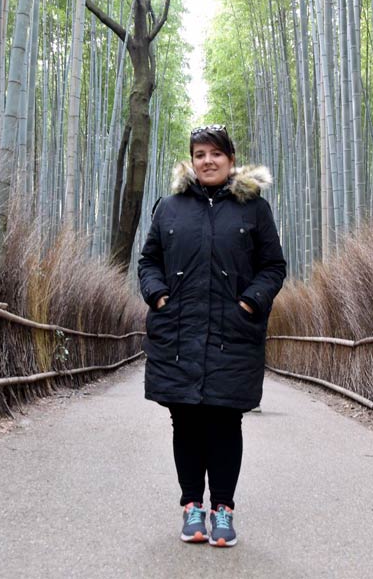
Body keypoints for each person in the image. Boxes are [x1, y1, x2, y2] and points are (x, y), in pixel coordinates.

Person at [138, 124, 286, 548]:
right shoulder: (169, 207)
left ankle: (223, 509)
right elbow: (148, 262)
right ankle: (191, 508)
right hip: (178, 331)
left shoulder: (253, 208)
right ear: (191, 160)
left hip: (232, 331)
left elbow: (273, 266)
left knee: (224, 420)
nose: (208, 161)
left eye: (216, 154)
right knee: (184, 419)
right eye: (200, 153)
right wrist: (159, 296)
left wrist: (249, 303)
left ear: (231, 159)